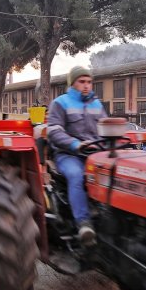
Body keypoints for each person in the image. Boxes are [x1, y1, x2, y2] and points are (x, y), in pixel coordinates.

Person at [47, 66, 106, 246]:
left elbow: (106, 128)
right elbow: (54, 132)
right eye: (82, 81)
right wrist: (75, 144)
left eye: (89, 81)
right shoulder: (61, 103)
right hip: (68, 154)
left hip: (95, 154)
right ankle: (83, 223)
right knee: (77, 175)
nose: (86, 85)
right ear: (72, 83)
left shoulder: (97, 104)